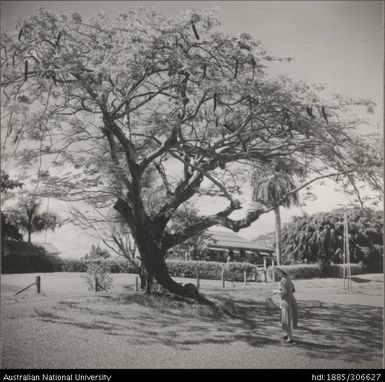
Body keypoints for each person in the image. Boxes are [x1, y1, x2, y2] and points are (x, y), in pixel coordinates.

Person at [272, 267, 298, 344]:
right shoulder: (288, 278)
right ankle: (287, 335)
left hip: (286, 302)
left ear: (282, 272)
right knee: (288, 318)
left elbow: (285, 292)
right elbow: (293, 290)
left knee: (286, 319)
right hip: (292, 300)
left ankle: (290, 338)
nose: (277, 274)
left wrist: (276, 291)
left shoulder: (283, 280)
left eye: (278, 272)